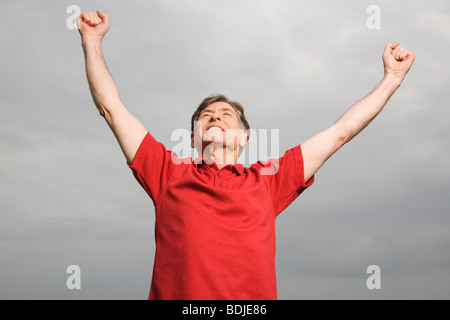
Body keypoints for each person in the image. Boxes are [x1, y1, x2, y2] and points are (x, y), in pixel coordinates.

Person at [77, 10, 415, 300]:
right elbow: (111, 109)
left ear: (243, 137)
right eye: (205, 115)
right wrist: (92, 41)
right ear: (194, 138)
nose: (215, 117)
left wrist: (392, 78)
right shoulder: (168, 172)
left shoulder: (269, 181)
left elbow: (341, 132)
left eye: (226, 115)